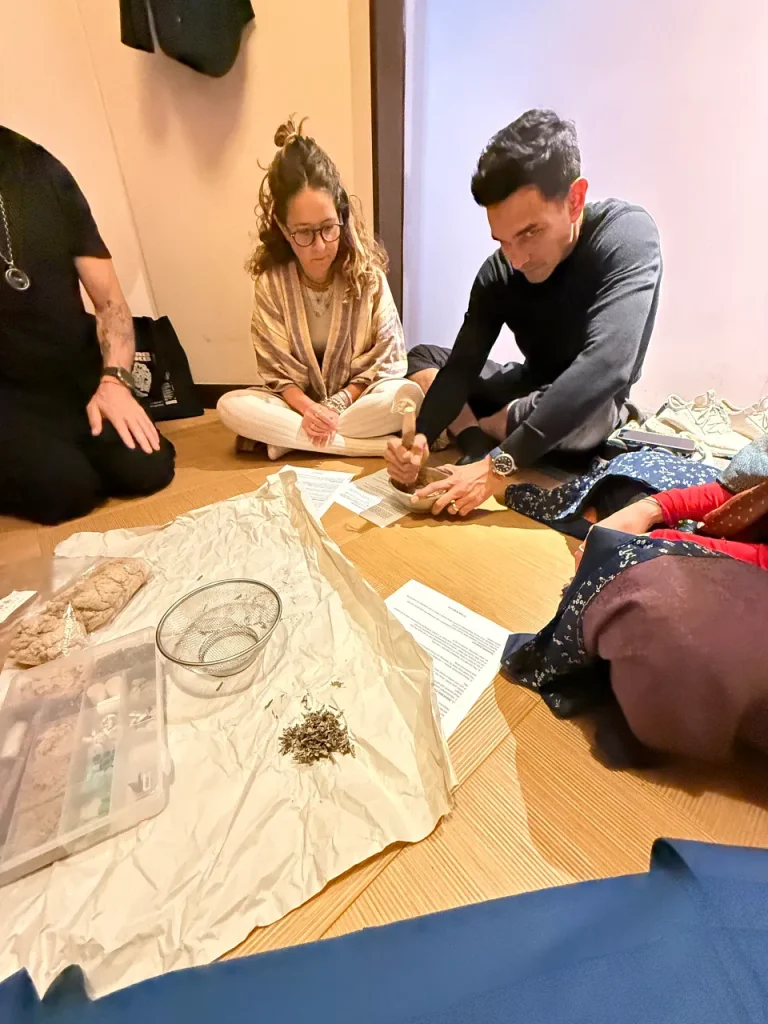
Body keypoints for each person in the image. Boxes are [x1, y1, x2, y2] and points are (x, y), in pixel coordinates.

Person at [386, 109, 662, 517]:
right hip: (527, 386)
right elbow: (462, 367)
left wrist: (497, 468)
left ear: (574, 199)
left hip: (589, 404)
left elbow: (608, 366)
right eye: (502, 240)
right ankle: (482, 438)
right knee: (425, 358)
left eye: (530, 233)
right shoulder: (500, 271)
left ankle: (492, 435)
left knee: (586, 418)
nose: (515, 258)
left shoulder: (626, 236)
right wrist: (420, 440)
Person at [0, 125, 175, 526]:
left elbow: (110, 301)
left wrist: (114, 382)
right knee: (65, 492)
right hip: (10, 394)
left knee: (147, 468)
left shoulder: (39, 168)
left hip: (79, 374)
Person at [217, 118, 421, 459]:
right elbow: (277, 374)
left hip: (357, 402)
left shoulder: (367, 274)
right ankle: (364, 448)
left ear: (341, 215)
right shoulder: (272, 283)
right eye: (304, 233)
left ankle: (289, 442)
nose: (320, 246)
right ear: (283, 229)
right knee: (231, 405)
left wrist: (338, 403)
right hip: (300, 408)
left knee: (405, 395)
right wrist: (312, 410)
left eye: (328, 228)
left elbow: (388, 358)